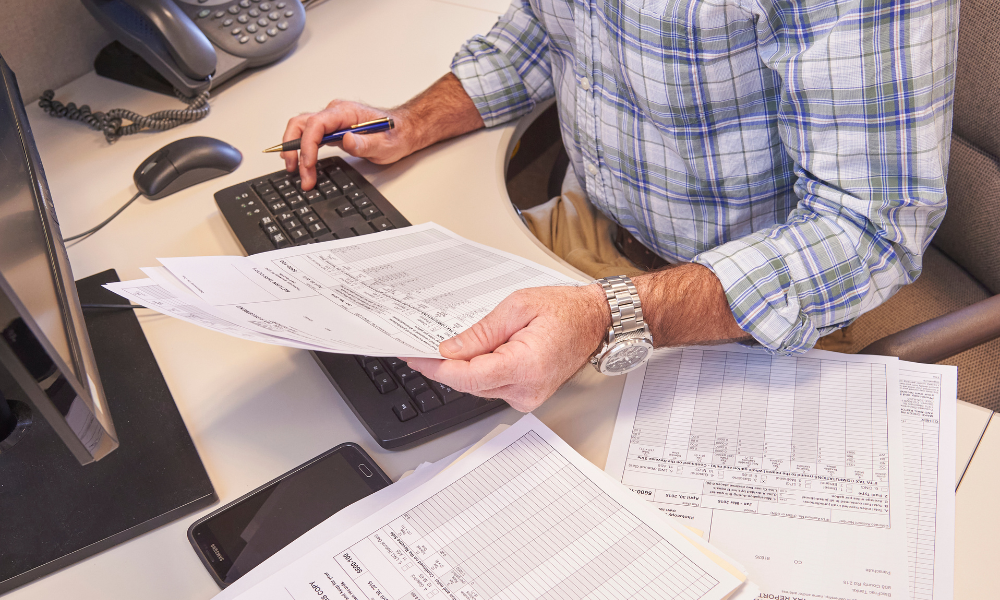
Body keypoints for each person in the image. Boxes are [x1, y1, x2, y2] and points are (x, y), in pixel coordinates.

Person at [281, 0, 958, 413]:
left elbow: (870, 225)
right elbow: (539, 31)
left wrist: (615, 315)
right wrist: (415, 119)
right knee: (369, 392)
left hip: (749, 307)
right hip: (583, 238)